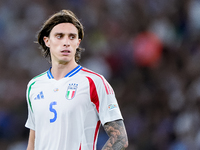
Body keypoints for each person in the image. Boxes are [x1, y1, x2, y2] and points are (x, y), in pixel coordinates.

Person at [25, 9, 128, 150]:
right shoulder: (34, 85)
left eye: (72, 37)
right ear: (47, 41)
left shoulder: (94, 82)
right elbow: (33, 142)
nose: (66, 42)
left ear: (78, 43)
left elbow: (120, 138)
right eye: (59, 36)